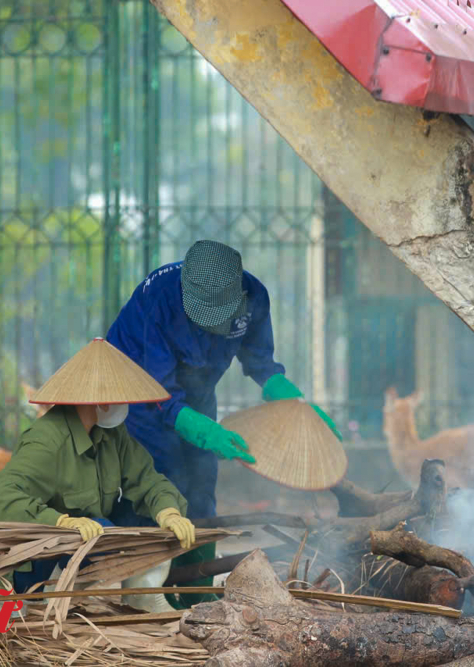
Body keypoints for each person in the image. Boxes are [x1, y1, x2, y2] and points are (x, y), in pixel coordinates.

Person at [106, 239, 342, 608]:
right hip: (140, 394)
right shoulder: (161, 298)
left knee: (201, 483)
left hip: (198, 395)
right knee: (159, 481)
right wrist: (201, 430)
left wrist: (293, 402)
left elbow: (262, 364)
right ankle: (144, 593)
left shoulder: (255, 295)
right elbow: (159, 390)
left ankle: (195, 592)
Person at [0, 337, 196, 612]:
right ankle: (41, 600)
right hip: (41, 561)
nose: (124, 405)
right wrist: (60, 521)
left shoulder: (112, 433)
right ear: (98, 401)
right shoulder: (46, 440)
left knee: (146, 514)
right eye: (117, 397)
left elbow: (147, 480)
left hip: (92, 538)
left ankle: (144, 594)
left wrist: (169, 512)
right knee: (101, 531)